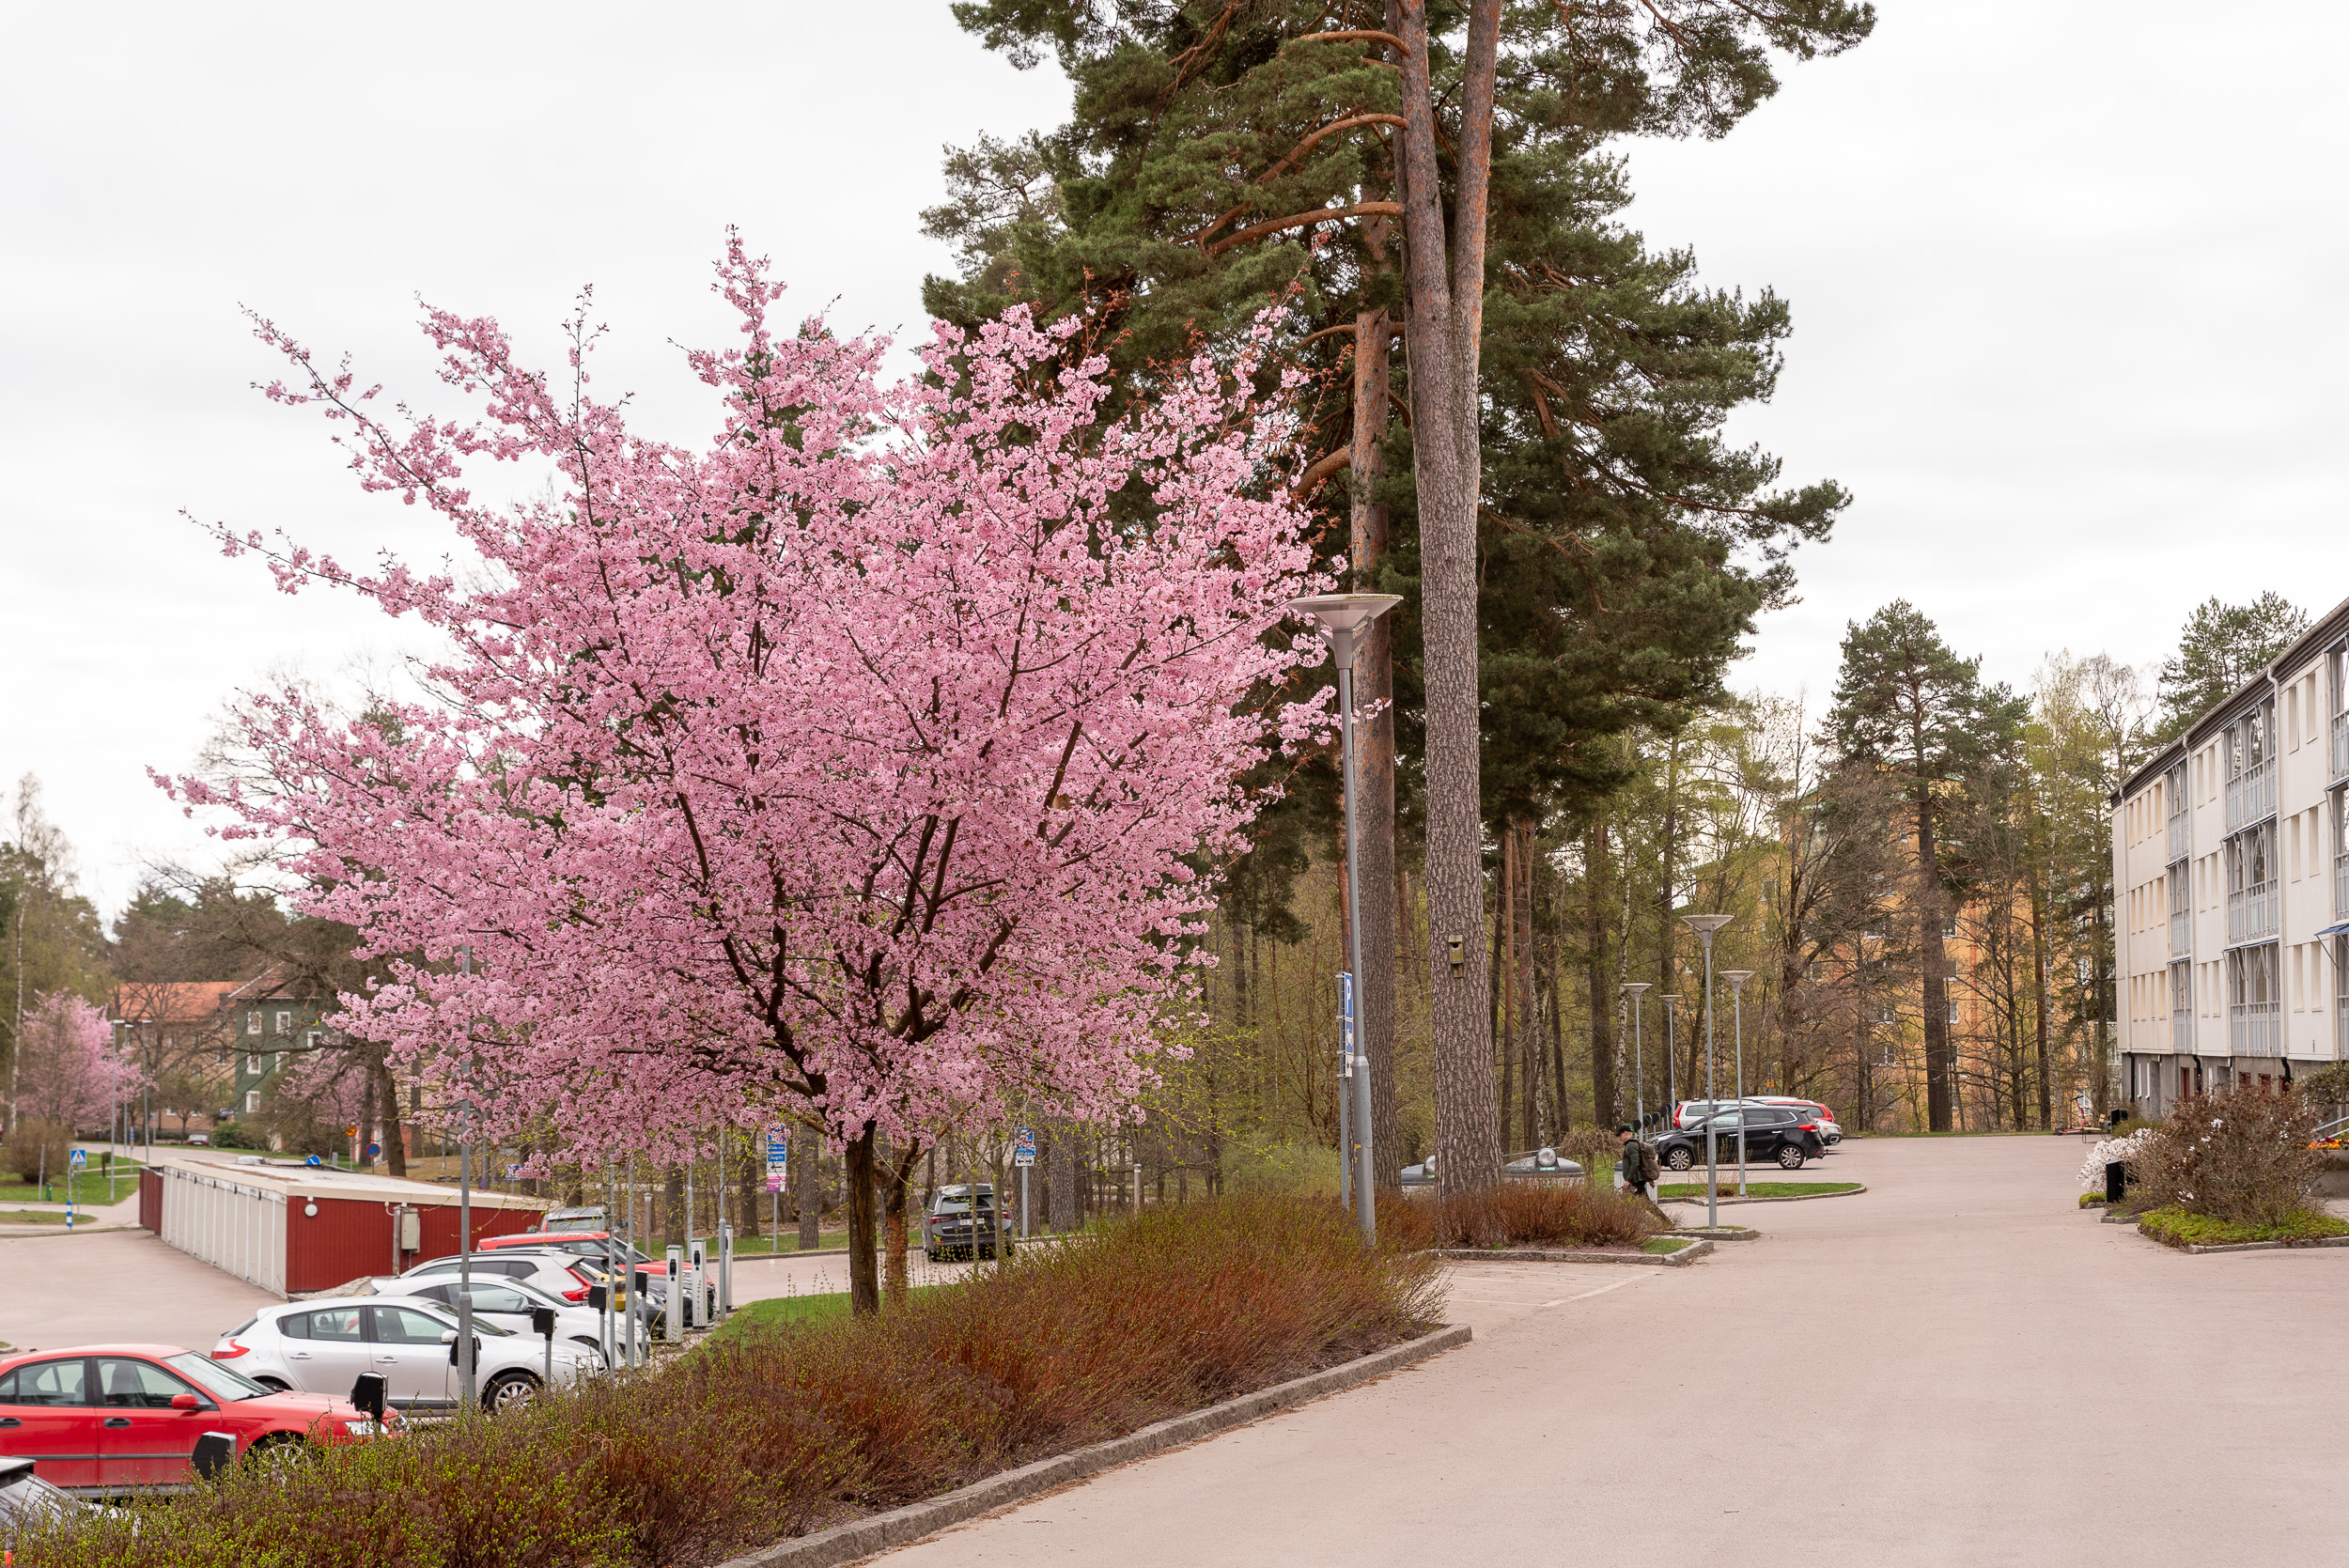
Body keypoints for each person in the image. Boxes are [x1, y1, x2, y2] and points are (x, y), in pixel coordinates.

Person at [1615, 1124, 1660, 1204]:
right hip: (1636, 1181)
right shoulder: (1634, 1143)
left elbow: (1635, 1163)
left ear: (1625, 1132)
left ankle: (1661, 1217)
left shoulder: (1631, 1145)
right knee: (1633, 1204)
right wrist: (1650, 1179)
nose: (1619, 1137)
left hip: (1635, 1181)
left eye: (1620, 1135)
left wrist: (1628, 1180)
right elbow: (1642, 1162)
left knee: (1641, 1204)